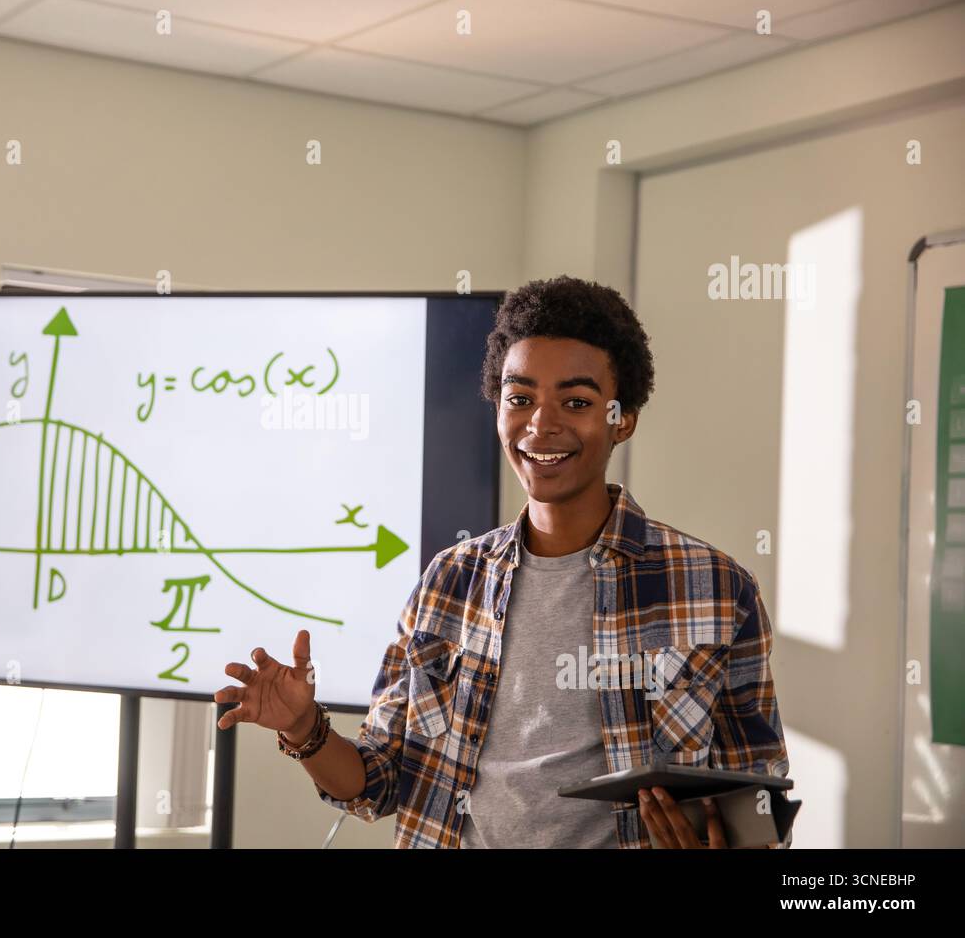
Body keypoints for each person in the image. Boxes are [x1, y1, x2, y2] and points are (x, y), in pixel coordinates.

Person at [215, 276, 789, 848]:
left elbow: (759, 808)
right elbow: (379, 781)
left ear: (624, 418)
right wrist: (303, 729)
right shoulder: (448, 581)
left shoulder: (715, 588)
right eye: (520, 399)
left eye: (577, 401)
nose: (542, 424)